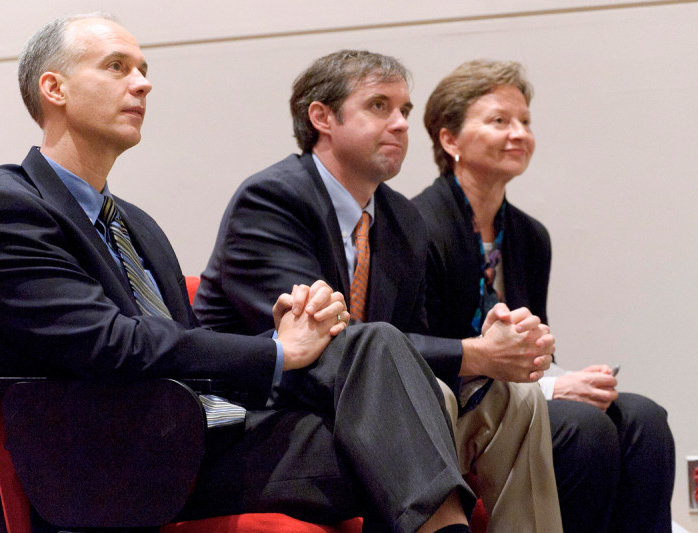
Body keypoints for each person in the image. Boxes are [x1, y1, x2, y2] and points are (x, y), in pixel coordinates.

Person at [0, 13, 478, 533]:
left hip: (198, 431)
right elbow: (111, 345)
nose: (143, 83)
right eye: (117, 67)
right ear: (55, 88)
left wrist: (279, 331)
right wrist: (275, 351)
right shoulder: (9, 206)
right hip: (113, 460)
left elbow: (182, 341)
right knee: (392, 446)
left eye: (143, 69)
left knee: (375, 353)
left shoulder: (134, 222)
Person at [194, 50, 561, 532]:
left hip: (363, 404)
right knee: (420, 385)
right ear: (322, 117)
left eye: (405, 111)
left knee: (514, 396)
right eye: (379, 107)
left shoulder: (403, 220)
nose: (402, 124)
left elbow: (413, 337)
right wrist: (476, 352)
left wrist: (498, 348)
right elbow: (323, 340)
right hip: (273, 416)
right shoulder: (272, 200)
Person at [411, 59, 675, 533]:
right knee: (582, 427)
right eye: (500, 121)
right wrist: (554, 388)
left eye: (525, 122)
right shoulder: (416, 227)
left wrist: (570, 377)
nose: (520, 134)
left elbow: (533, 345)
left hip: (519, 392)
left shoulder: (529, 236)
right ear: (450, 140)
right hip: (452, 407)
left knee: (644, 418)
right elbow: (422, 356)